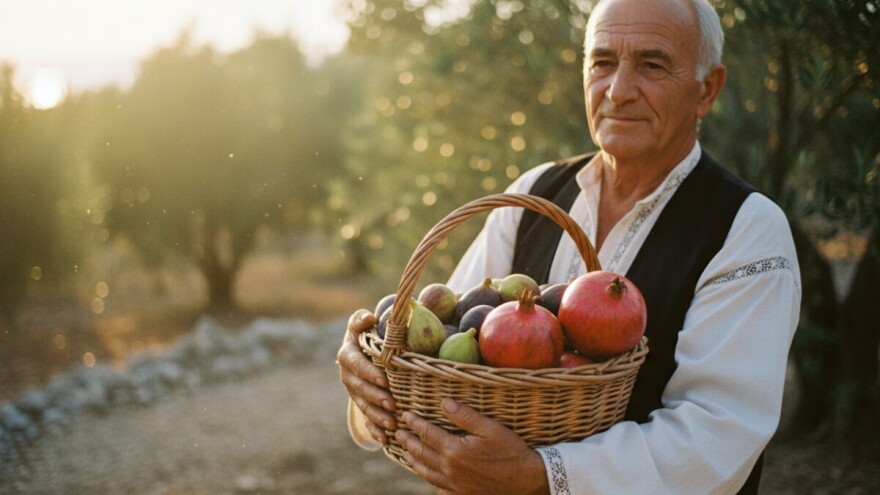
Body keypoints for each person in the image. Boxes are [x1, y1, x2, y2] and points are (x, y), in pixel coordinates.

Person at [337, 0, 802, 492]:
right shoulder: (534, 194)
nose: (618, 91)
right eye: (602, 62)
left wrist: (541, 476)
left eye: (651, 64)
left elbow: (716, 438)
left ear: (706, 90)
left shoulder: (747, 230)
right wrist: (373, 381)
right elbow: (442, 359)